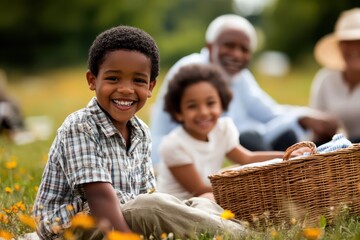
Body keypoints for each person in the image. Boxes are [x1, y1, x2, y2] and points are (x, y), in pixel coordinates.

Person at [32, 25, 247, 240]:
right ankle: (241, 234)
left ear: (151, 87)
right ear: (92, 80)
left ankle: (221, 228)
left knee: (200, 202)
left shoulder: (141, 132)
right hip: (72, 229)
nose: (126, 89)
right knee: (151, 207)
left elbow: (146, 194)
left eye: (138, 80)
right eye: (113, 79)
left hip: (123, 217)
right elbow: (100, 198)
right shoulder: (80, 126)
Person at [150, 14, 339, 168]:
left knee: (287, 133)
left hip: (233, 150)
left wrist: (304, 117)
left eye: (244, 49)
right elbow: (203, 131)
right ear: (210, 47)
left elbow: (270, 113)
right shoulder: (191, 72)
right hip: (186, 158)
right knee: (250, 136)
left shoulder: (241, 78)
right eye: (229, 46)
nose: (236, 55)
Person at [156, 63, 309, 201]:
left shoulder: (222, 129)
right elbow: (199, 189)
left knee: (231, 179)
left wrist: (287, 156)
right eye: (192, 106)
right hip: (183, 205)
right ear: (178, 112)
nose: (203, 112)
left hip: (210, 196)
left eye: (210, 103)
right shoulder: (173, 145)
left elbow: (247, 158)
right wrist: (246, 191)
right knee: (208, 197)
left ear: (222, 104)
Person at [310, 8, 360, 144]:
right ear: (339, 47)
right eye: (347, 42)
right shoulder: (325, 79)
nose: (354, 47)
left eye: (358, 41)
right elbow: (315, 124)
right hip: (334, 150)